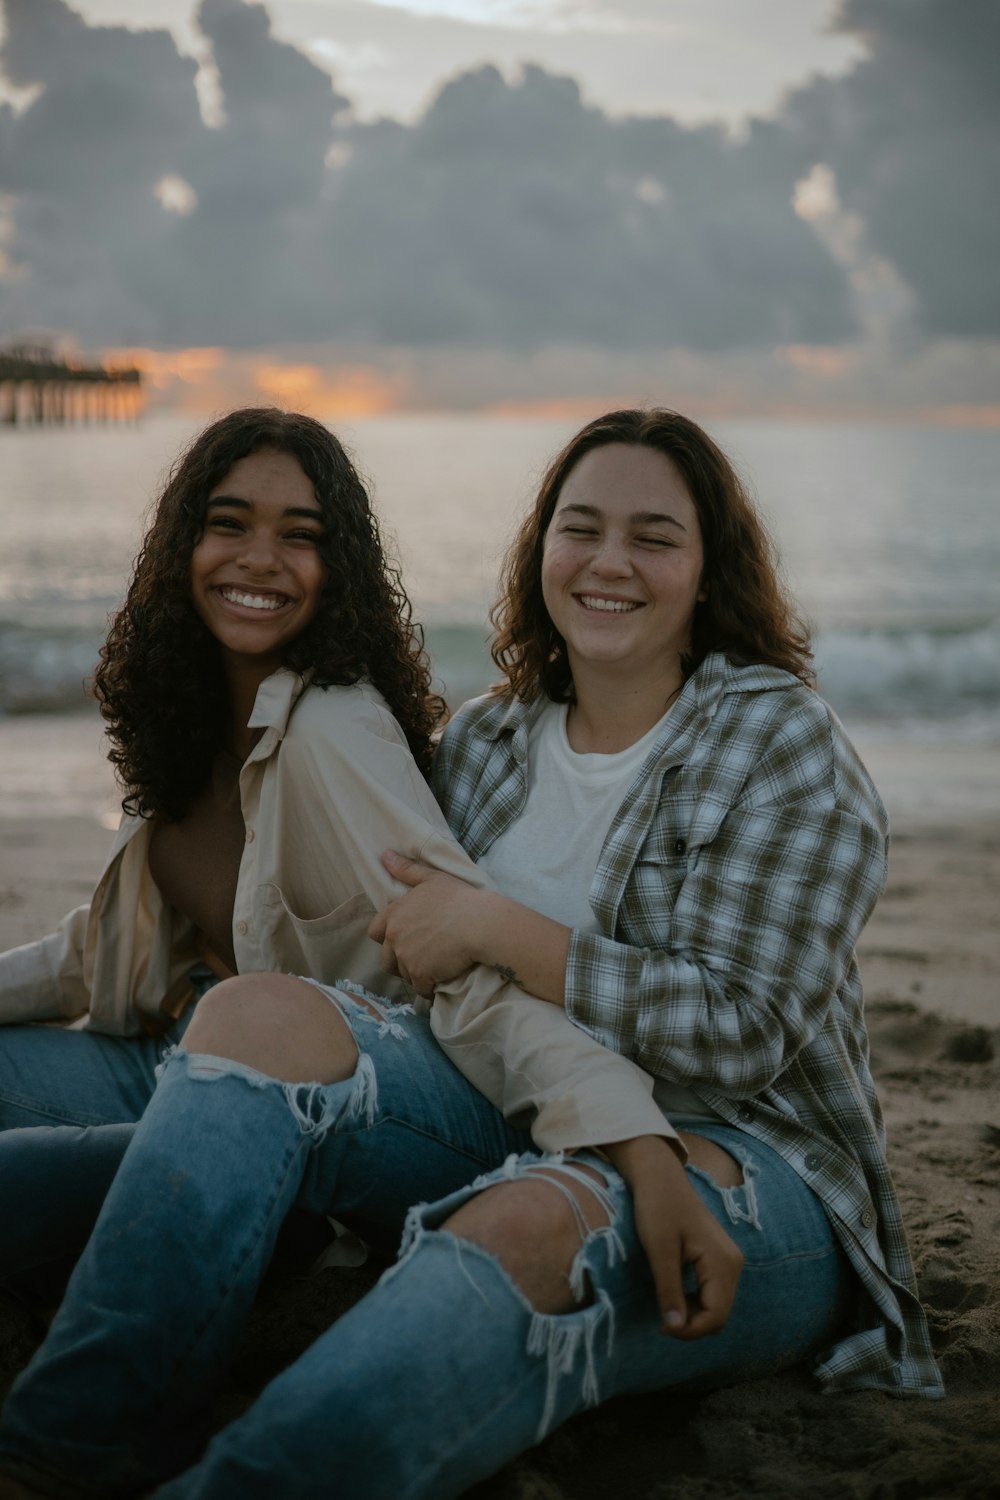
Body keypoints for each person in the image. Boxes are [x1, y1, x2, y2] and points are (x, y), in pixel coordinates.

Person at [0, 409, 941, 1500]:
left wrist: (500, 931)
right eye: (579, 527)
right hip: (514, 1105)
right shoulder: (490, 742)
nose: (608, 562)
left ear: (707, 568)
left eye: (654, 536)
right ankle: (67, 1448)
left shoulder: (776, 741)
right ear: (539, 549)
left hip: (740, 1158)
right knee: (257, 1012)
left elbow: (738, 1036)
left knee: (524, 1224)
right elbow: (418, 972)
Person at [0, 406, 710, 1301]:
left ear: (337, 572)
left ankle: (281, 1239)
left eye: (301, 536)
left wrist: (635, 1146)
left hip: (318, 1104)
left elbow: (469, 974)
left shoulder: (335, 728)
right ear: (181, 545)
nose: (260, 558)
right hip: (175, 1051)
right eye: (229, 524)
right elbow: (94, 955)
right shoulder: (184, 726)